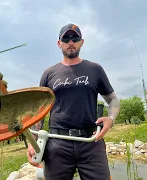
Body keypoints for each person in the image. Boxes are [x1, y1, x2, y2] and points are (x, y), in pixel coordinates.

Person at [27, 23, 120, 180]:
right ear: (59, 43)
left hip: (91, 141)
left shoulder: (95, 69)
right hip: (57, 145)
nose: (71, 42)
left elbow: (113, 99)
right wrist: (33, 143)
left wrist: (110, 119)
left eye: (75, 38)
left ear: (81, 42)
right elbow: (40, 113)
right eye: (66, 38)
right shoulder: (49, 74)